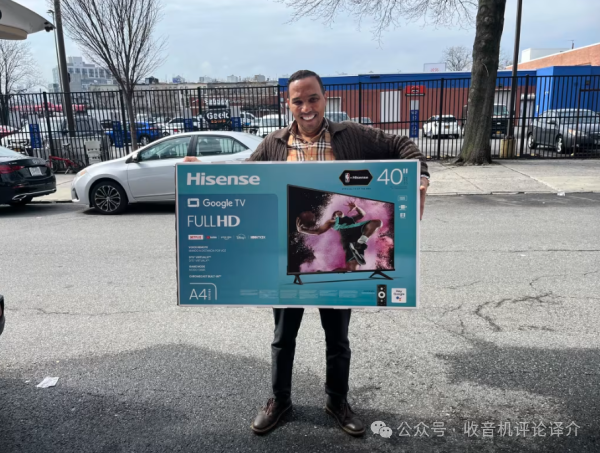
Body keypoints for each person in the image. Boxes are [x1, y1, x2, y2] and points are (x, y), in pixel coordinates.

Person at [184, 69, 430, 437]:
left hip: (336, 264)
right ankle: (280, 401)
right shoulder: (274, 144)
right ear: (289, 104)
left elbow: (403, 146)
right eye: (298, 101)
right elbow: (244, 180)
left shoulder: (351, 135)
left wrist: (420, 178)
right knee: (283, 337)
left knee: (338, 339)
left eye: (312, 98)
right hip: (290, 260)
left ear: (324, 99)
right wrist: (204, 175)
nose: (306, 107)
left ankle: (337, 401)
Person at [296, 200, 382, 269]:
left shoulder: (351, 218)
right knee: (377, 223)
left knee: (352, 268)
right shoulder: (332, 221)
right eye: (336, 213)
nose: (338, 212)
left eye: (339, 211)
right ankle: (360, 243)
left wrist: (356, 208)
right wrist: (302, 230)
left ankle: (359, 243)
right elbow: (318, 231)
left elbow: (362, 214)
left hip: (353, 239)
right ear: (334, 217)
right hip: (346, 233)